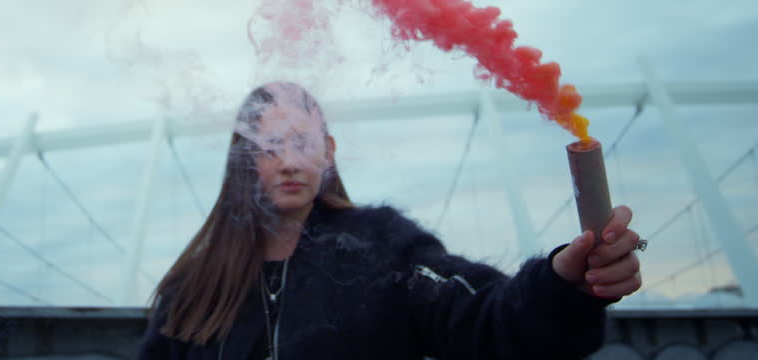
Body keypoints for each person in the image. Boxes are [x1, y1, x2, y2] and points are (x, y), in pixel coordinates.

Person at [136, 81, 643, 360]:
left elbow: (488, 322)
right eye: (270, 147)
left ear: (328, 152)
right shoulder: (194, 287)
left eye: (303, 143)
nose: (289, 161)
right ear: (244, 158)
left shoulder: (381, 247)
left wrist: (563, 287)